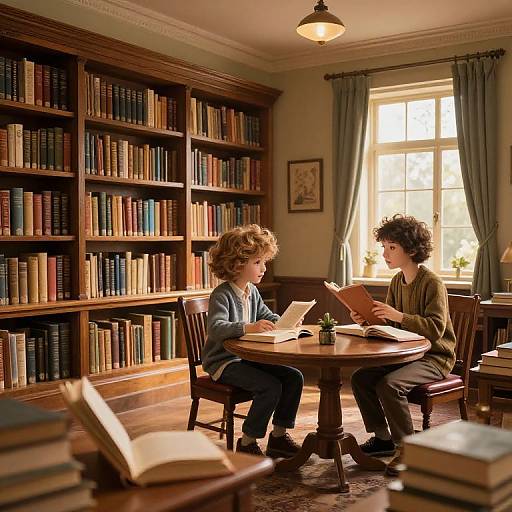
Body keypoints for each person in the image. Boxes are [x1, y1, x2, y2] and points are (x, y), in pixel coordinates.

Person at [351, 214, 456, 476]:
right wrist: (366, 321)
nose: (385, 253)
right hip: (406, 355)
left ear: (410, 249)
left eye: (392, 248)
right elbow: (394, 330)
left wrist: (397, 316)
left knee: (390, 385)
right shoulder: (397, 281)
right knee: (361, 378)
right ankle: (383, 437)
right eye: (383, 247)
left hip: (435, 357)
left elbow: (435, 329)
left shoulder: (432, 283)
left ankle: (407, 449)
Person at [202, 224, 304, 457]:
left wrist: (286, 321)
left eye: (264, 262)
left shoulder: (252, 292)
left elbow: (267, 317)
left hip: (245, 358)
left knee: (294, 377)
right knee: (270, 386)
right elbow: (216, 329)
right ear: (237, 264)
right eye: (258, 262)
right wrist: (248, 327)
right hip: (223, 362)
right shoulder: (222, 294)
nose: (264, 268)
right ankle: (247, 442)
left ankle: (278, 437)